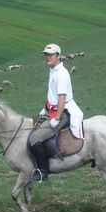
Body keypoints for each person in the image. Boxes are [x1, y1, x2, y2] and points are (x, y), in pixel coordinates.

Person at [28, 43, 84, 182]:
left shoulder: (61, 74)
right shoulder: (53, 70)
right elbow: (52, 95)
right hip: (52, 110)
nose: (47, 57)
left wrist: (57, 118)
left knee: (34, 140)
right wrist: (45, 108)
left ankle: (43, 171)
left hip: (63, 112)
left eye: (51, 55)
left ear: (58, 56)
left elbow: (62, 98)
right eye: (46, 55)